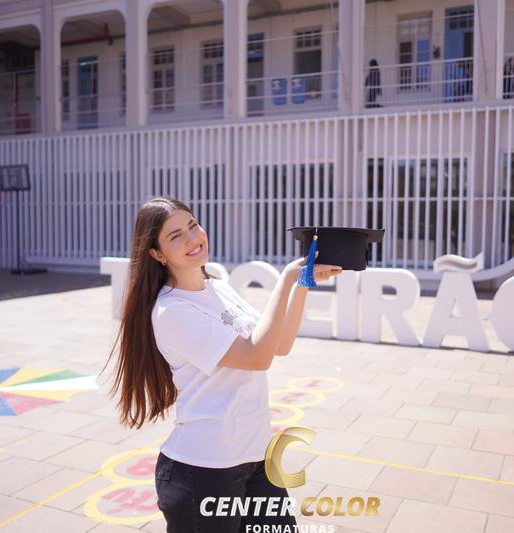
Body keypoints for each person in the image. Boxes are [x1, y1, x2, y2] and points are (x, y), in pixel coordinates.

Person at [106, 197, 342, 532]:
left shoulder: (218, 287)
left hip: (256, 458)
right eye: (176, 236)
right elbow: (257, 358)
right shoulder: (171, 311)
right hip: (203, 470)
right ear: (157, 254)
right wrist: (287, 277)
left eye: (193, 225)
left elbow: (279, 345)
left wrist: (304, 280)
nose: (193, 238)